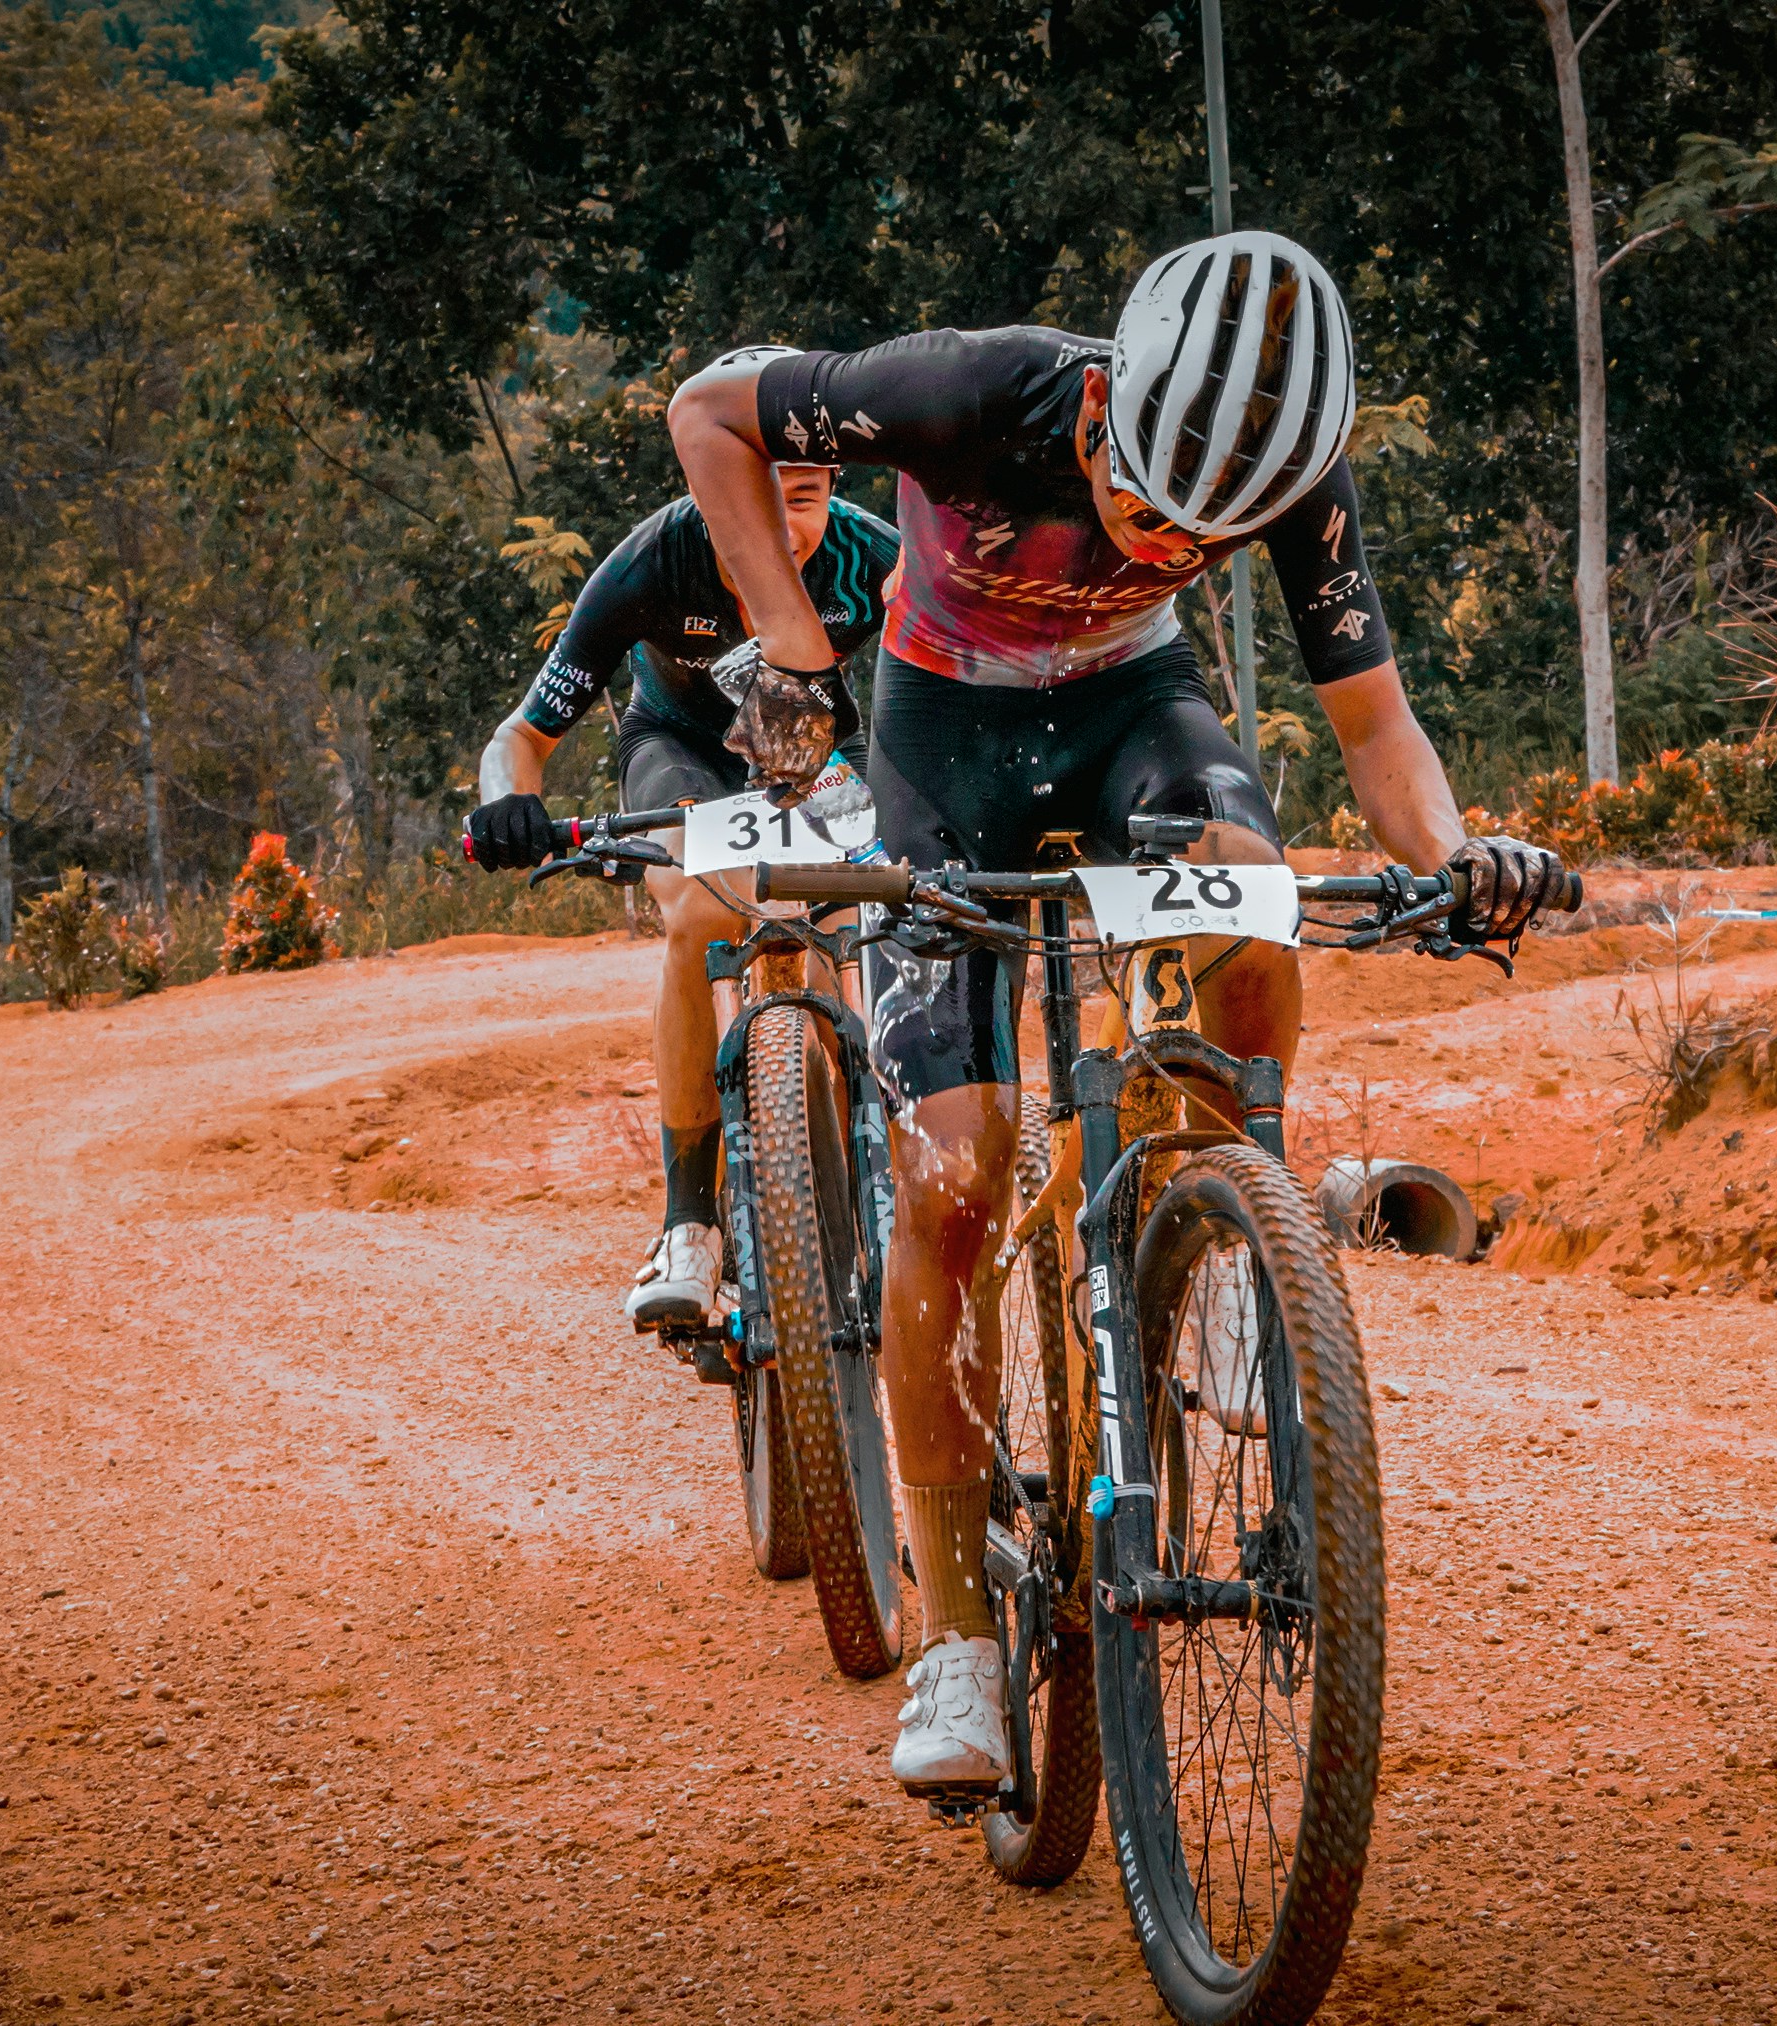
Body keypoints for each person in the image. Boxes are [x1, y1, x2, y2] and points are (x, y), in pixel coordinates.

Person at [667, 232, 1563, 1792]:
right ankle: (953, 1641)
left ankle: (1209, 1214)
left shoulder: (1294, 475)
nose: (1162, 537)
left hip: (1132, 722)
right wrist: (796, 652)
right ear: (1110, 409)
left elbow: (1376, 718)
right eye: (1146, 500)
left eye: (1198, 534)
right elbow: (708, 411)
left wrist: (1454, 857)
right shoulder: (973, 392)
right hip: (939, 740)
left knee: (1253, 892)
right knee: (951, 1177)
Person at [460, 452, 899, 1325]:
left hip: (811, 749)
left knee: (870, 901)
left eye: (802, 502)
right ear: (706, 494)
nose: (775, 529)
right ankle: (690, 1222)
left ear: (836, 495)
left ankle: (887, 1162)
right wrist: (506, 799)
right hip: (679, 751)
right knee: (698, 911)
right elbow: (524, 734)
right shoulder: (653, 561)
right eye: (748, 502)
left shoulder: (875, 556)